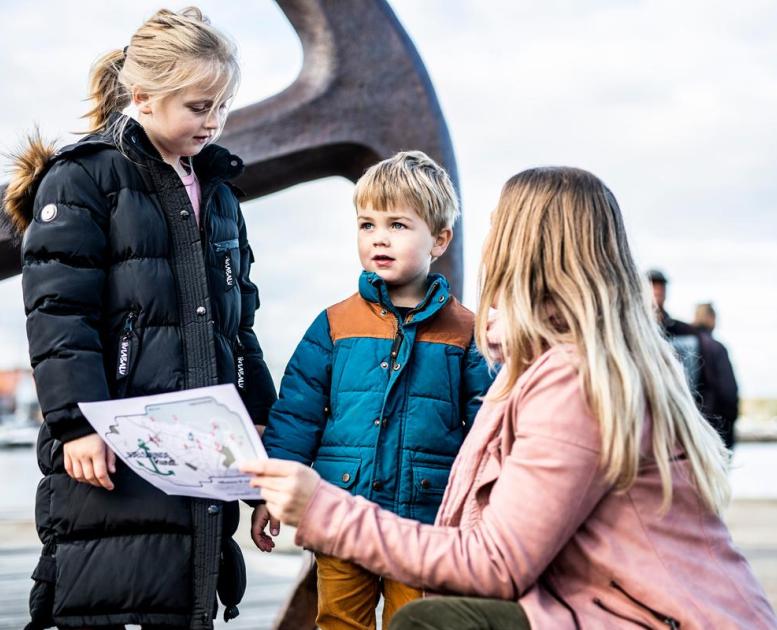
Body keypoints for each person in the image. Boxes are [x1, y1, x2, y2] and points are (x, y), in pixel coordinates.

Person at [242, 167, 777, 629]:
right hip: (627, 606)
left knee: (434, 621)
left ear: (524, 247)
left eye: (499, 226)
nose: (489, 240)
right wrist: (512, 352)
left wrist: (320, 507)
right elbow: (302, 407)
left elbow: (497, 562)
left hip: (656, 617)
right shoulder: (557, 361)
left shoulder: (574, 379)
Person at [3, 7, 276, 629]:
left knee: (187, 600)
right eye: (200, 106)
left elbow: (240, 326)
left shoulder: (219, 195)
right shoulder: (82, 180)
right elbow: (58, 314)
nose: (215, 122)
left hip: (203, 450)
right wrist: (76, 424)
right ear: (143, 96)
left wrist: (264, 438)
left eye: (223, 106)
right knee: (110, 592)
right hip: (113, 441)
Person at [255, 150, 493, 629]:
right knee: (339, 623)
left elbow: (484, 431)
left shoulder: (468, 332)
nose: (379, 238)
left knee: (418, 621)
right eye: (367, 225)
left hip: (422, 520)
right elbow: (297, 416)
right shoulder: (334, 325)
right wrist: (268, 495)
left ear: (439, 239)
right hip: (341, 508)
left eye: (398, 226)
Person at [647, 269, 705, 392]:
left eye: (661, 286)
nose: (658, 290)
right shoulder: (637, 329)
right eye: (653, 285)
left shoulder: (681, 329)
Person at [694, 303, 740, 450]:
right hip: (714, 429)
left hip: (690, 428)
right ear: (711, 318)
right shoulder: (716, 348)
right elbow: (729, 393)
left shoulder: (684, 343)